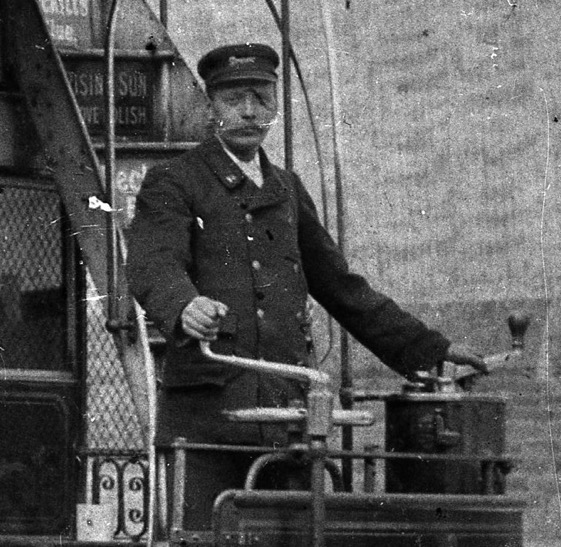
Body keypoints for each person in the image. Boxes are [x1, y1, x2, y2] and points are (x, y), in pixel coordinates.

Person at [126, 43, 487, 531]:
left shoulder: (288, 189)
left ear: (275, 105)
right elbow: (153, 264)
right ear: (211, 106)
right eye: (234, 99)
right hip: (208, 421)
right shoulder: (174, 180)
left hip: (288, 417)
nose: (249, 111)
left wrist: (429, 349)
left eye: (260, 97)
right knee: (206, 538)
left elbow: (341, 287)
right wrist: (184, 305)